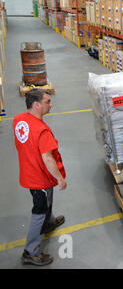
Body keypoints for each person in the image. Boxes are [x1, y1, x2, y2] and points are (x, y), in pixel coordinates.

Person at [13, 89, 67, 266]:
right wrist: (60, 178)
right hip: (40, 178)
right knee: (39, 210)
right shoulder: (42, 130)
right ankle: (30, 251)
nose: (51, 105)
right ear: (37, 105)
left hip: (28, 172)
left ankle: (49, 222)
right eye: (47, 102)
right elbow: (48, 158)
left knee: (46, 200)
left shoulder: (19, 120)